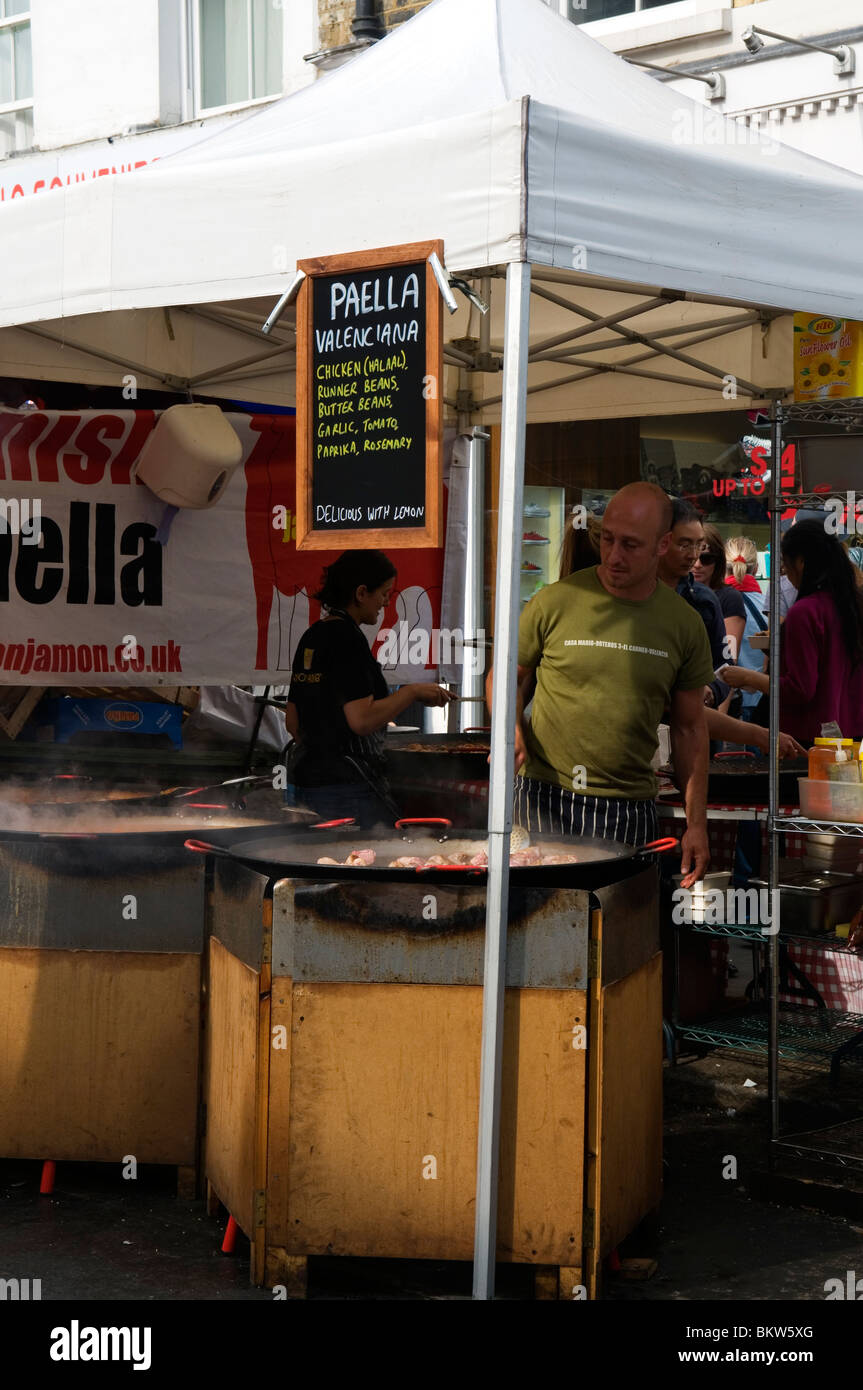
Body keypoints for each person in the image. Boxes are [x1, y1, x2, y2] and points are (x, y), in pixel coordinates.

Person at [487, 482, 711, 886]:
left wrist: (697, 824)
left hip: (628, 807)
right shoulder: (554, 601)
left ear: (662, 545)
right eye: (607, 539)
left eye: (631, 545)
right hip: (543, 796)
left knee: (616, 921)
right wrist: (510, 729)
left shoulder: (684, 624)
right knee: (534, 916)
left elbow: (690, 728)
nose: (614, 556)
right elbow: (504, 678)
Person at [285, 550, 454, 827]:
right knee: (372, 850)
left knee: (319, 851)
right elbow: (361, 720)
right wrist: (411, 692)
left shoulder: (312, 635)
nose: (386, 602)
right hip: (347, 786)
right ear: (361, 593)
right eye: (384, 593)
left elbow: (292, 722)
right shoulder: (348, 640)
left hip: (306, 782)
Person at [722, 520, 863, 745]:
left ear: (800, 562)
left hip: (810, 739)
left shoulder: (805, 612)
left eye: (785, 564)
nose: (785, 573)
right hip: (852, 734)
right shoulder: (852, 604)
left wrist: (748, 677)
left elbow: (799, 689)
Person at [656, 499, 730, 710]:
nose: (693, 555)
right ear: (662, 541)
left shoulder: (704, 600)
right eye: (684, 544)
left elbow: (724, 665)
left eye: (699, 545)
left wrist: (711, 690)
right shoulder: (634, 594)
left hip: (694, 719)